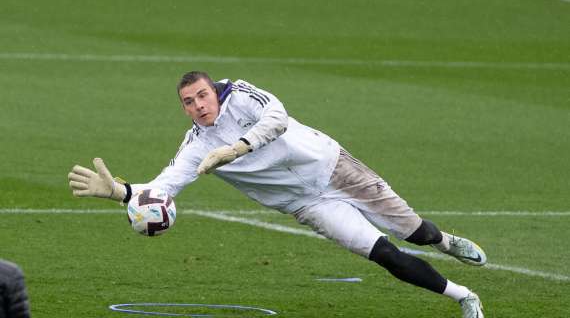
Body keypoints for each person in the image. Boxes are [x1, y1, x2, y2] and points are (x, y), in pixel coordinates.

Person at [68, 71, 486, 318]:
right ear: (183, 108)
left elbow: (278, 117)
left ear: (213, 91)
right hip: (307, 204)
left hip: (332, 167)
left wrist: (237, 148)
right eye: (188, 102)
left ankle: (445, 241)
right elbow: (166, 184)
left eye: (202, 96)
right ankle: (464, 297)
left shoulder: (241, 96)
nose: (198, 106)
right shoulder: (195, 144)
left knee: (415, 233)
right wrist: (120, 192)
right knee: (383, 253)